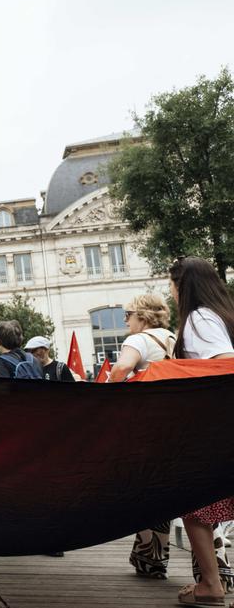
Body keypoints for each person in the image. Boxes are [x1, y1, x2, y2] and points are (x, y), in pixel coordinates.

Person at [169, 257, 234, 606]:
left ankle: (210, 584)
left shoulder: (200, 318)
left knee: (194, 502)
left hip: (216, 426)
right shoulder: (224, 315)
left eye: (172, 285)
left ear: (183, 286)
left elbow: (226, 362)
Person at [100, 293, 176, 579]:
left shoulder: (138, 340)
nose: (125, 320)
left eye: (128, 314)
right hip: (176, 423)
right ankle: (216, 564)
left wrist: (104, 393)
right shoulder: (173, 337)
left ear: (142, 316)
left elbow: (121, 368)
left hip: (147, 425)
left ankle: (150, 558)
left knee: (145, 490)